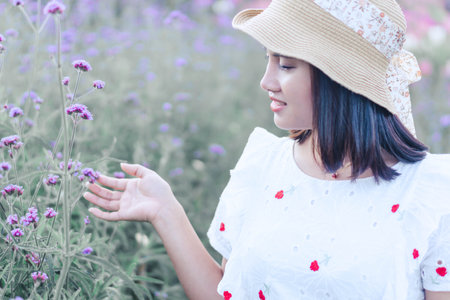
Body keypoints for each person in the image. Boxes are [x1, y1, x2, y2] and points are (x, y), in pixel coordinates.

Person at [84, 0, 450, 299]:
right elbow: (226, 294)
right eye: (268, 60)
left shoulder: (432, 192)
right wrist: (166, 212)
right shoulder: (262, 166)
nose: (266, 82)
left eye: (286, 65)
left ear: (338, 80)